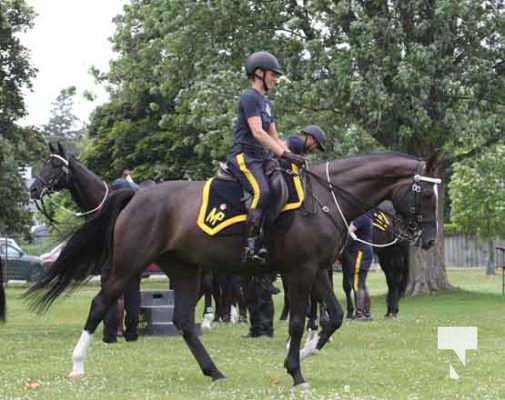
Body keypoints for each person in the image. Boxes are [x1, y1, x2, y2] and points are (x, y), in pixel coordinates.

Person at [242, 124, 326, 338]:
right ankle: (260, 230)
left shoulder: (299, 148)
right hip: (270, 171)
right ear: (309, 138)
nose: (315, 149)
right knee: (275, 196)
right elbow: (283, 152)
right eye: (316, 144)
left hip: (274, 169)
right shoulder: (296, 143)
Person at [226, 50, 305, 265]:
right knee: (263, 191)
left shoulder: (266, 103)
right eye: (273, 74)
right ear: (259, 73)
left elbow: (274, 136)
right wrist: (284, 153)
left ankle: (268, 236)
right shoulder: (249, 97)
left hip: (261, 157)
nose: (275, 79)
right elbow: (258, 132)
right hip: (244, 156)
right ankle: (250, 246)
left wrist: (293, 158)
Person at [102, 169, 141, 343]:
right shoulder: (137, 216)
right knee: (133, 295)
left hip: (112, 260)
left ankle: (111, 333)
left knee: (110, 296)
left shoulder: (109, 214)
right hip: (133, 261)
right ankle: (132, 332)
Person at [342, 212, 374, 321]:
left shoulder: (360, 217)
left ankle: (360, 314)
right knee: (362, 283)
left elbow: (348, 231)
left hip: (360, 251)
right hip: (366, 250)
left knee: (357, 284)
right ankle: (366, 313)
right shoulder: (367, 217)